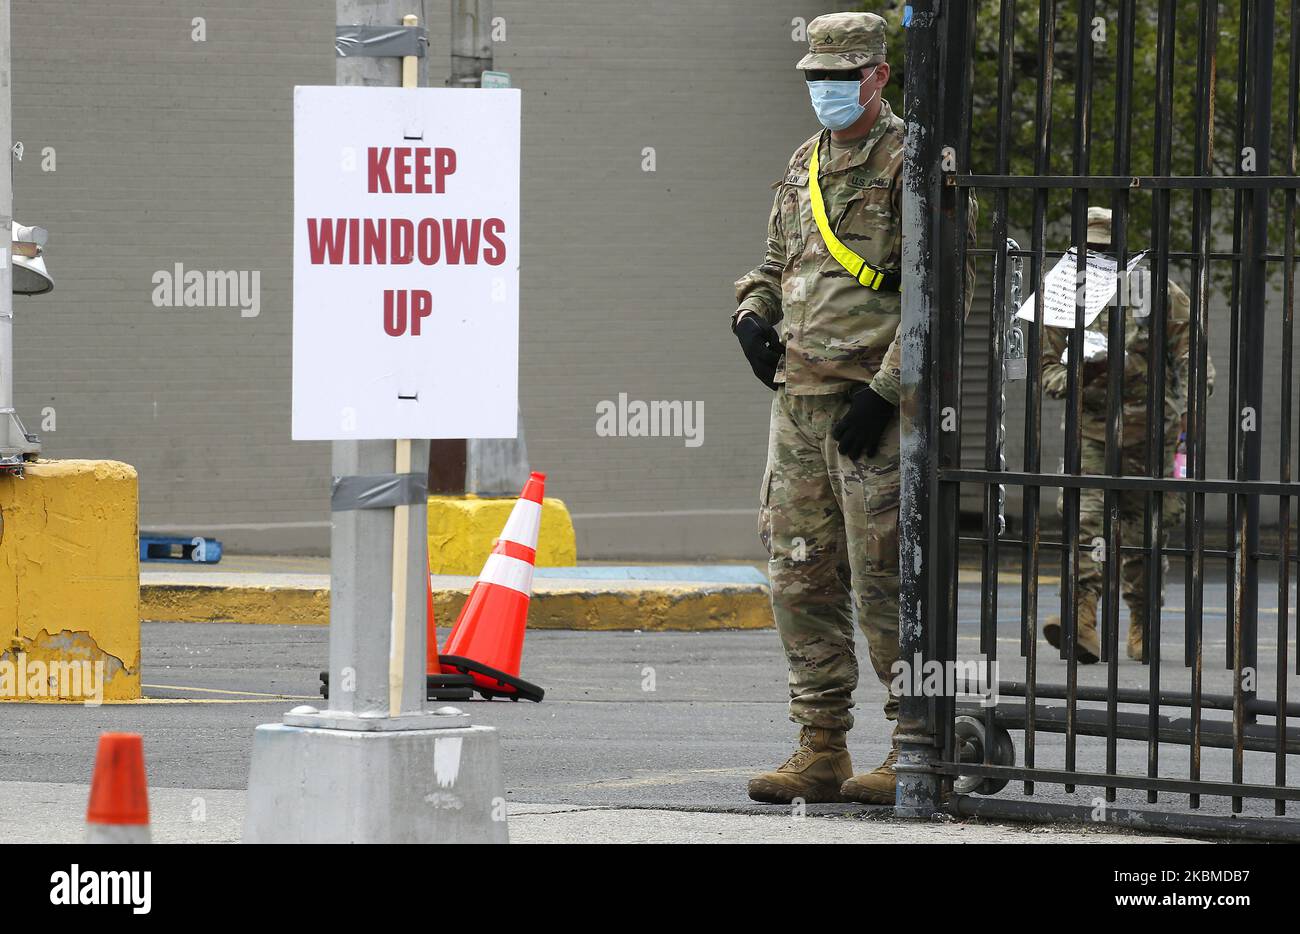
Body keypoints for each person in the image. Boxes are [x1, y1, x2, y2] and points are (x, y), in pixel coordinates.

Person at [733, 11, 976, 804]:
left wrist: (885, 393)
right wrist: (751, 312)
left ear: (878, 76)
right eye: (815, 77)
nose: (826, 89)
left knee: (884, 580)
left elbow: (942, 293)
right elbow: (777, 261)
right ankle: (820, 744)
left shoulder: (914, 161)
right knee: (799, 577)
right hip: (798, 402)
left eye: (841, 76)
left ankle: (914, 744)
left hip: (874, 407)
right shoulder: (805, 161)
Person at [1040, 206, 1215, 663]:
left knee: (1145, 536)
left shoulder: (1158, 292)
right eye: (1092, 251)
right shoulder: (1062, 294)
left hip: (1151, 434)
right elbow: (1045, 370)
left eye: (1108, 251)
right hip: (1093, 433)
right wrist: (1077, 377)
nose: (1099, 259)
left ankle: (1143, 621)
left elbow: (1193, 356)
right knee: (1086, 524)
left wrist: (1190, 407)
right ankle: (1081, 621)